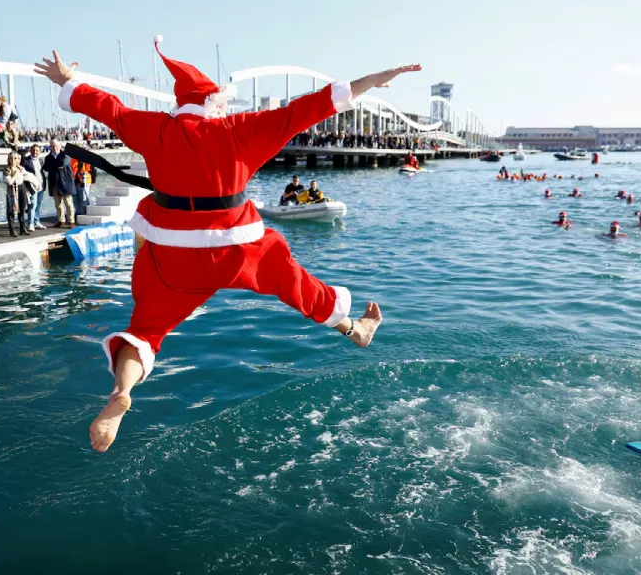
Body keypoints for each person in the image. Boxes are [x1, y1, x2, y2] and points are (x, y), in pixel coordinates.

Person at [36, 42, 404, 452]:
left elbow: (108, 108)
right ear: (215, 103)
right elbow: (305, 110)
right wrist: (369, 81)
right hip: (238, 249)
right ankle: (354, 330)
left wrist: (69, 80)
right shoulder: (240, 129)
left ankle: (121, 392)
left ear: (182, 106)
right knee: (295, 283)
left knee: (146, 329)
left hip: (173, 253)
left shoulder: (156, 127)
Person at [43, 139, 76, 227]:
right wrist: (54, 166)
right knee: (58, 204)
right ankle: (61, 220)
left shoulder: (65, 155)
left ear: (60, 146)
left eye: (56, 146)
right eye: (53, 146)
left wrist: (52, 166)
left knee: (68, 203)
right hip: (54, 183)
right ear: (50, 147)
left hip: (65, 183)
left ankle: (71, 221)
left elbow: (62, 163)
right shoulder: (48, 157)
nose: (54, 148)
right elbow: (46, 167)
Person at [3, 151, 31, 237]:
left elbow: (26, 174)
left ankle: (22, 228)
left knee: (22, 208)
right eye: (11, 158)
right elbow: (9, 181)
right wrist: (16, 174)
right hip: (12, 190)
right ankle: (12, 230)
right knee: (11, 210)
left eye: (15, 158)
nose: (13, 160)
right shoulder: (7, 169)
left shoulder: (20, 168)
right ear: (8, 159)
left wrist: (20, 170)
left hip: (21, 187)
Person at [21, 144, 45, 230]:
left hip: (41, 185)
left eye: (37, 150)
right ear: (30, 151)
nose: (35, 152)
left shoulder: (41, 161)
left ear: (40, 151)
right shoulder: (26, 161)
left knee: (38, 204)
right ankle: (30, 223)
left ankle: (36, 221)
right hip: (32, 186)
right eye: (33, 150)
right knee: (32, 205)